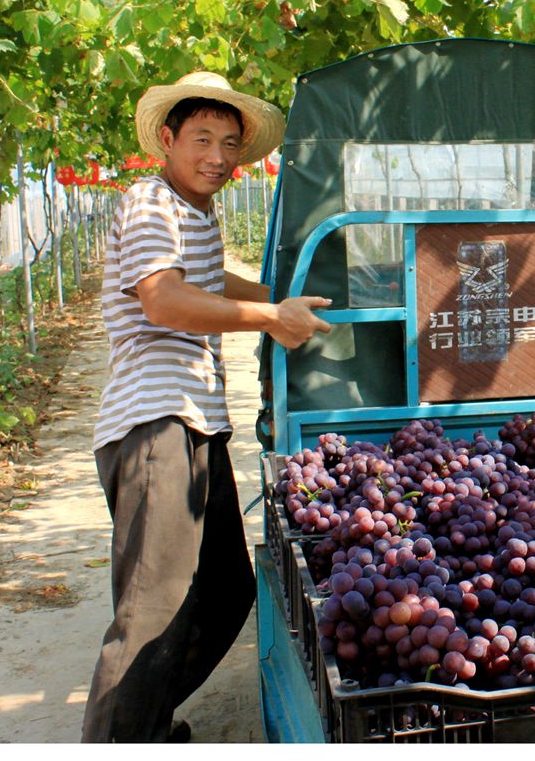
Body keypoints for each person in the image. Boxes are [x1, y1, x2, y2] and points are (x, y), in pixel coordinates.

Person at [82, 72, 332, 742]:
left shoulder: (193, 213)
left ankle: (142, 722)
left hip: (195, 420)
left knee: (226, 590)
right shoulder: (150, 202)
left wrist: (282, 295)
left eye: (229, 144)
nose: (218, 157)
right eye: (202, 139)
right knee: (152, 606)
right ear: (167, 139)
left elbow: (207, 278)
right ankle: (120, 739)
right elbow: (164, 299)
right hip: (155, 421)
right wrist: (269, 318)